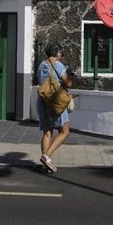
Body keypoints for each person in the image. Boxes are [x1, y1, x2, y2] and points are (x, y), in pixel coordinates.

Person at [36, 43, 74, 173]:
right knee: (65, 131)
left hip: (43, 102)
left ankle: (45, 163)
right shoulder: (58, 65)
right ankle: (46, 156)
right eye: (60, 52)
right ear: (55, 53)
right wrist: (69, 75)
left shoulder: (41, 65)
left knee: (47, 132)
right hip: (56, 102)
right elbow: (68, 83)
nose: (61, 54)